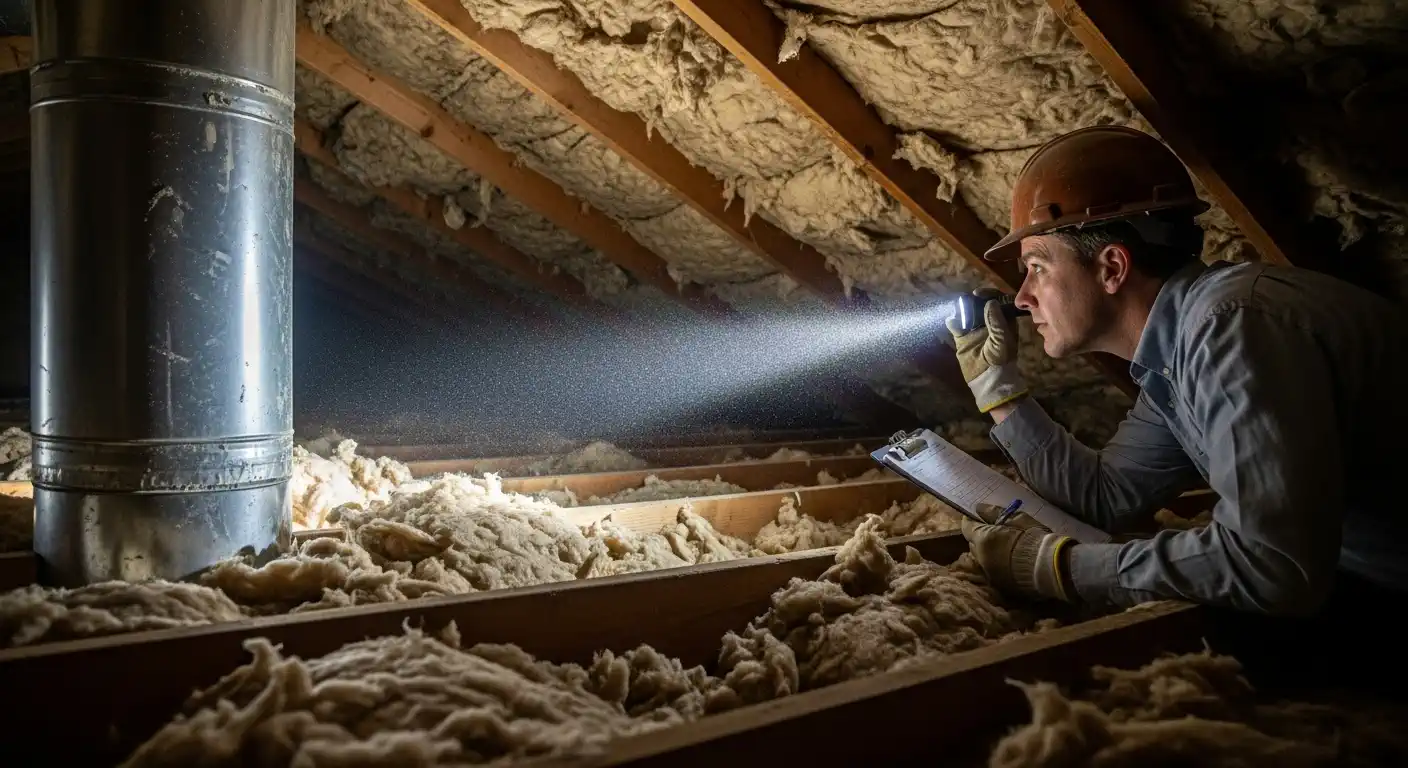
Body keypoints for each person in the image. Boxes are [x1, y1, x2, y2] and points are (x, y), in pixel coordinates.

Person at [945, 125, 1408, 687]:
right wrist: (998, 389)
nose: (1021, 297)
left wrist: (1059, 567)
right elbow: (1107, 496)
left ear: (1112, 267)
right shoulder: (1178, 354)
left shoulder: (1233, 329)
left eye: (1037, 266)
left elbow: (1272, 566)